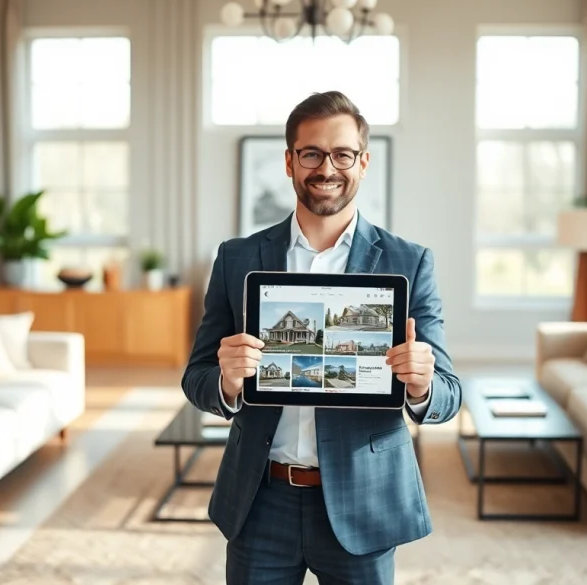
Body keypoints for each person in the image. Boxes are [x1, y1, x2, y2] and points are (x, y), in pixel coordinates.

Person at [181, 90, 461, 584]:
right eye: (311, 153)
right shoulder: (238, 258)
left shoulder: (410, 262)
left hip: (363, 502)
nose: (326, 167)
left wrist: (422, 385)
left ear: (363, 162)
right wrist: (226, 382)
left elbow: (449, 396)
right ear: (289, 161)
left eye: (342, 154)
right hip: (260, 500)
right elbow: (196, 379)